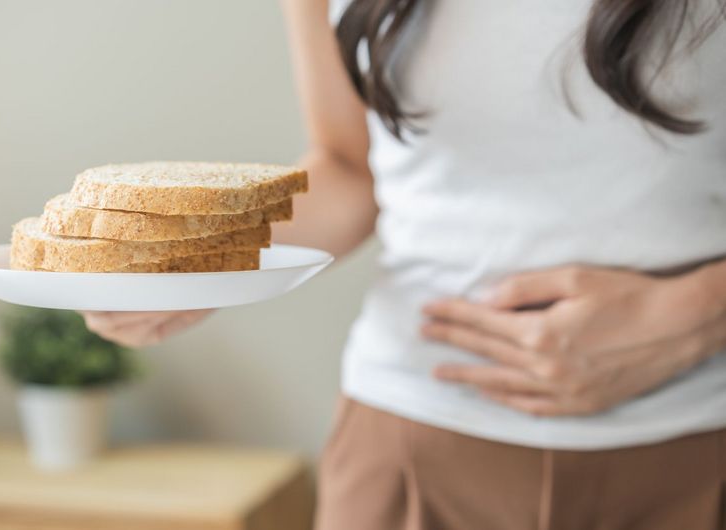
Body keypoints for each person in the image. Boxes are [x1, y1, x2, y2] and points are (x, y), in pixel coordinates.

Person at [84, 1, 726, 528]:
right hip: (412, 450)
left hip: (696, 449)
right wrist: (209, 257)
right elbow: (349, 166)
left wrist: (698, 314)